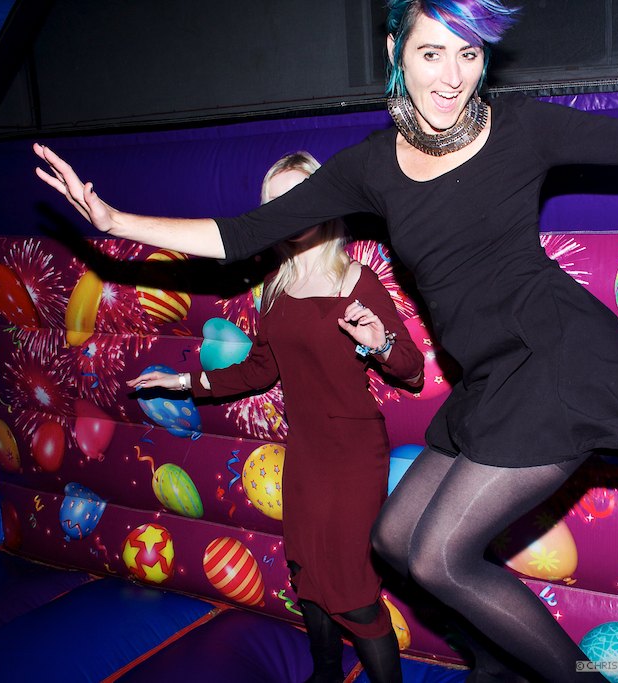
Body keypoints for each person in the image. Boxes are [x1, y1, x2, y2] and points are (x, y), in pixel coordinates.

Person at [36, 1, 618, 678]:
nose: (451, 76)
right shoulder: (370, 167)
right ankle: (493, 660)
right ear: (397, 52)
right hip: (489, 377)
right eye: (431, 53)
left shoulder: (523, 129)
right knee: (393, 538)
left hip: (558, 357)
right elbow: (244, 231)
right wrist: (113, 220)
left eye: (468, 54)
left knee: (437, 557)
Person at [125, 152, 424, 683]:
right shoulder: (276, 286)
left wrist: (380, 344)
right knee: (307, 577)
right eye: (276, 202)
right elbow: (259, 370)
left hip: (354, 455)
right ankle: (324, 676)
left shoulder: (356, 281)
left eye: (300, 196)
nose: (290, 210)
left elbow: (413, 370)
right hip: (305, 454)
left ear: (326, 199)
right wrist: (184, 382)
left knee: (354, 595)